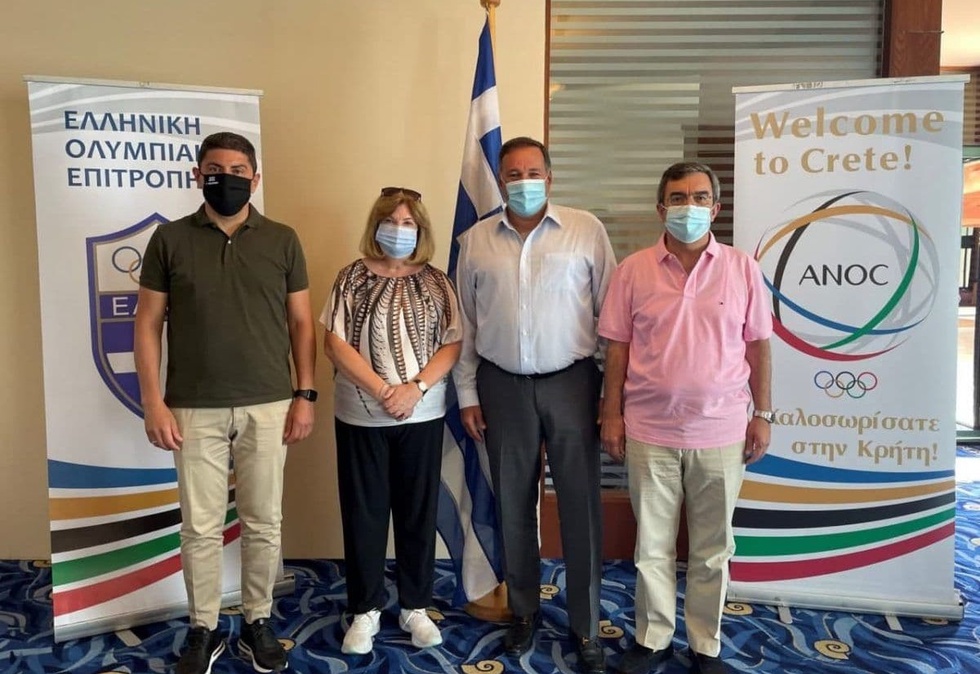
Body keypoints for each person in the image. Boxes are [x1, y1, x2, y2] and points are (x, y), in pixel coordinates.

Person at [134, 131, 316, 674]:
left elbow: (301, 323)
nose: (227, 179)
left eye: (239, 171)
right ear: (198, 175)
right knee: (200, 526)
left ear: (255, 180)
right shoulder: (169, 238)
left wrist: (305, 394)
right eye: (216, 169)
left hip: (269, 403)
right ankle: (203, 626)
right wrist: (152, 402)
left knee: (264, 521)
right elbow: (147, 324)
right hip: (192, 407)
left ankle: (258, 620)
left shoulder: (282, 239)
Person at [598, 162, 773, 674]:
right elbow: (617, 348)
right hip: (649, 430)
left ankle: (704, 644)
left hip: (721, 431)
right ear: (661, 209)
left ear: (715, 209)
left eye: (699, 198)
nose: (688, 207)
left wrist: (763, 413)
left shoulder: (742, 268)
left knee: (713, 549)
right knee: (651, 546)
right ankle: (652, 639)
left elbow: (759, 346)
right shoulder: (633, 270)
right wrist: (611, 414)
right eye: (678, 198)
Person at [453, 136, 616, 674]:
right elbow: (465, 324)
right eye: (513, 173)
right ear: (500, 180)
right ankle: (523, 609)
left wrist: (610, 395)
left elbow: (611, 317)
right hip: (501, 386)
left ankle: (585, 624)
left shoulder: (585, 230)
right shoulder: (476, 241)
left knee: (580, 504)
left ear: (550, 176)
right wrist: (468, 394)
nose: (523, 181)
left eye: (533, 172)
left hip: (573, 382)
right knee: (513, 503)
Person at [321, 187, 461, 656]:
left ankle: (415, 605)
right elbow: (335, 343)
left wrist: (414, 388)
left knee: (417, 510)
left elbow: (452, 343)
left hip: (422, 413)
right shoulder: (350, 278)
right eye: (390, 221)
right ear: (375, 226)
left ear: (420, 230)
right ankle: (365, 609)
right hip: (361, 415)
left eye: (408, 223)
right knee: (365, 513)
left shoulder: (438, 282)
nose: (398, 230)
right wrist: (383, 391)